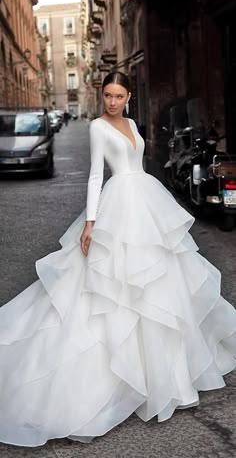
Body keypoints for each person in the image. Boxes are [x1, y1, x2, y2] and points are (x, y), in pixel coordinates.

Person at [0, 71, 235, 447]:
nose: (112, 101)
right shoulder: (97, 127)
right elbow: (96, 175)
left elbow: (138, 163)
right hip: (118, 205)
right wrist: (91, 222)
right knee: (116, 286)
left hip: (145, 200)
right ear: (102, 96)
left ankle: (167, 377)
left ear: (128, 97)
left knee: (161, 281)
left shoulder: (130, 122)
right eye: (107, 95)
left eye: (118, 95)